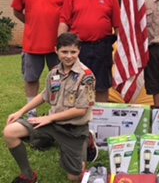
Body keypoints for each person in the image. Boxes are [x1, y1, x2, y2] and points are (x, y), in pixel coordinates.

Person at [3, 32, 96, 183]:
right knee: (10, 132)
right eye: (64, 52)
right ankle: (28, 176)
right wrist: (20, 111)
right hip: (52, 124)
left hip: (73, 130)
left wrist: (49, 117)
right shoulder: (54, 73)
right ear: (56, 50)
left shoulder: (86, 76)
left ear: (79, 51)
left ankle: (86, 141)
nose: (68, 56)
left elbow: (81, 110)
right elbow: (45, 95)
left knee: (74, 177)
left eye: (73, 52)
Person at [11, 0, 71, 118]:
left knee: (59, 78)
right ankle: (32, 110)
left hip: (57, 45)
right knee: (31, 78)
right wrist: (31, 23)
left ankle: (58, 108)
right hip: (32, 43)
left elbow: (68, 12)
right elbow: (16, 11)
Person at [58, 0, 120, 102]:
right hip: (78, 48)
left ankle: (100, 117)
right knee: (75, 83)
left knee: (102, 85)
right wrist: (61, 46)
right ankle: (75, 115)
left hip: (102, 47)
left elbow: (117, 25)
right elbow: (64, 21)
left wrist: (121, 50)